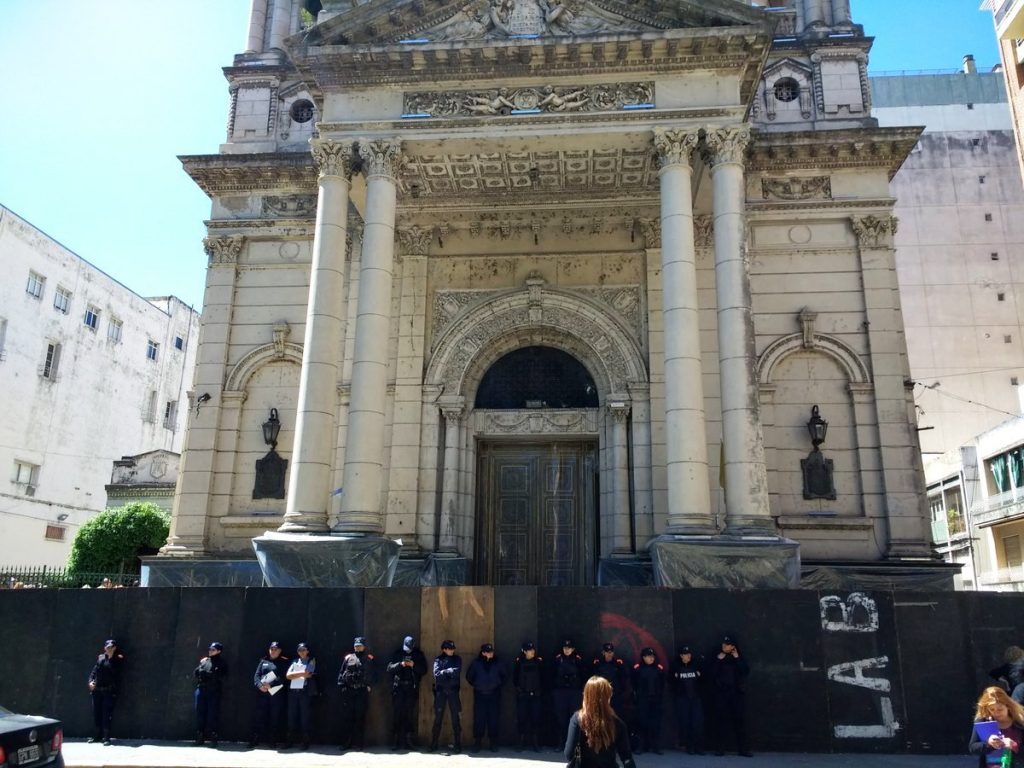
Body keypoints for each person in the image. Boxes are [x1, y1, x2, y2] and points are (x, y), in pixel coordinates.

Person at [563, 676, 636, 768]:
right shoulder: (617, 723)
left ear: (586, 695)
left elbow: (569, 754)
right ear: (608, 697)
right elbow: (626, 757)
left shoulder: (577, 719)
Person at [710, 634, 751, 757]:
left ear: (732, 646)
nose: (724, 646)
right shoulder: (718, 656)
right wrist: (718, 659)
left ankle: (743, 749)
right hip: (722, 694)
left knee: (739, 722)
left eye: (727, 645)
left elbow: (745, 671)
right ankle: (720, 748)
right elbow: (711, 673)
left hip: (736, 694)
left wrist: (737, 658)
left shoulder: (738, 656)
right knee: (721, 721)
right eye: (723, 644)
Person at [387, 634, 427, 749]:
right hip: (398, 688)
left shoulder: (418, 654)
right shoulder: (398, 653)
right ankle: (395, 742)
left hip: (411, 688)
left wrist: (414, 665)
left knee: (409, 715)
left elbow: (424, 670)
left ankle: (409, 741)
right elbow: (389, 668)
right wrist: (401, 664)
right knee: (397, 714)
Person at [467, 642, 508, 752]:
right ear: (483, 653)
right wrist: (477, 685)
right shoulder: (476, 663)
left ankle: (493, 743)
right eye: (488, 652)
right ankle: (477, 742)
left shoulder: (498, 663)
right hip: (480, 694)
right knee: (479, 719)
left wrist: (497, 686)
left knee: (493, 719)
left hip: (494, 695)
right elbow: (469, 677)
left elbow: (505, 676)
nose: (491, 654)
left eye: (492, 652)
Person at [336, 636, 376, 750]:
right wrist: (342, 686)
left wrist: (369, 685)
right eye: (356, 646)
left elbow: (374, 675)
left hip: (361, 692)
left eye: (359, 646)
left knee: (360, 718)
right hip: (349, 691)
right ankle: (347, 743)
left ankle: (359, 744)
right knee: (348, 718)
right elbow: (341, 673)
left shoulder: (369, 658)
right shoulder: (348, 658)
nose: (357, 648)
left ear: (364, 646)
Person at [969, 686, 1024, 767]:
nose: (996, 713)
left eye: (1000, 709)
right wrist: (988, 743)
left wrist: (1014, 746)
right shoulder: (983, 721)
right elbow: (972, 748)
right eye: (992, 709)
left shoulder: (1019, 722)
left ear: (1008, 706)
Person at [249, 641, 289, 748]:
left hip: (275, 692)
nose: (273, 651)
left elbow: (284, 678)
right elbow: (257, 675)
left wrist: (270, 685)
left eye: (276, 649)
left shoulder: (284, 661)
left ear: (280, 651)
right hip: (262, 692)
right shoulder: (263, 661)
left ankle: (272, 740)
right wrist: (259, 685)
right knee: (259, 716)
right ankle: (255, 738)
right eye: (271, 649)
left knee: (274, 717)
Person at [88, 638, 125, 745]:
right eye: (107, 647)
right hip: (97, 691)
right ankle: (98, 735)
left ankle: (106, 737)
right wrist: (91, 682)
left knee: (106, 713)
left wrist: (110, 658)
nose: (109, 649)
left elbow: (116, 673)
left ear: (114, 648)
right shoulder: (100, 658)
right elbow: (94, 671)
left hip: (109, 691)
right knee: (97, 712)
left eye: (111, 647)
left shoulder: (118, 659)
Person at [669, 645, 704, 754]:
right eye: (685, 654)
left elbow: (703, 680)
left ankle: (698, 747)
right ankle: (690, 746)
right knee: (686, 723)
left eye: (689, 654)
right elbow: (670, 681)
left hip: (695, 698)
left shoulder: (696, 664)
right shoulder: (676, 666)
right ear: (681, 656)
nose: (688, 656)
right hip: (682, 699)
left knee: (697, 723)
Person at [552, 639, 586, 750]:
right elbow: (550, 674)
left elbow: (583, 674)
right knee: (560, 718)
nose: (567, 650)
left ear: (573, 649)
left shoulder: (578, 660)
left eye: (569, 648)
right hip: (560, 692)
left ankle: (575, 743)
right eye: (565, 648)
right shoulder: (557, 659)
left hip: (574, 692)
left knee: (575, 718)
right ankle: (561, 742)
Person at [430, 639, 463, 753]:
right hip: (441, 692)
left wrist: (445, 672)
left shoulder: (457, 659)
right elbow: (437, 675)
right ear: (444, 649)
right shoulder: (438, 660)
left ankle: (458, 744)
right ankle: (434, 743)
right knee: (438, 718)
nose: (452, 650)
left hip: (453, 692)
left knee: (455, 718)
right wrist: (448, 672)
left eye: (453, 648)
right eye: (450, 648)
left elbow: (457, 672)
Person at [193, 641, 228, 747]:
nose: (210, 651)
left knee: (212, 715)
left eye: (213, 650)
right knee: (200, 713)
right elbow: (195, 673)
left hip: (213, 691)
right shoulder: (204, 661)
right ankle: (200, 737)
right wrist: (200, 670)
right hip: (201, 690)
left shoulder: (222, 663)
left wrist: (209, 674)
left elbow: (223, 677)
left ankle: (213, 738)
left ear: (218, 651)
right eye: (210, 649)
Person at [631, 647, 665, 754]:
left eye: (653, 656)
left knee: (656, 723)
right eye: (649, 656)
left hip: (655, 699)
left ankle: (656, 747)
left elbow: (662, 683)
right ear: (644, 657)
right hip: (643, 700)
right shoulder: (637, 668)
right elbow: (634, 683)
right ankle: (641, 746)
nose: (651, 658)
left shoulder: (659, 668)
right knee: (641, 722)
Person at [285, 642, 318, 750]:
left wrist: (296, 674)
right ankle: (289, 741)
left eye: (304, 650)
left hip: (305, 692)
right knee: (291, 716)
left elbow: (308, 673)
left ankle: (305, 742)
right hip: (293, 692)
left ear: (307, 651)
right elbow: (288, 675)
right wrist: (301, 673)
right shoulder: (294, 661)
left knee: (305, 717)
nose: (302, 652)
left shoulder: (311, 660)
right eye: (299, 650)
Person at [513, 641, 544, 752]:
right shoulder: (519, 662)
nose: (532, 652)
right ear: (525, 651)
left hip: (535, 696)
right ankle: (521, 743)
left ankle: (535, 743)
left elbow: (543, 678)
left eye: (533, 650)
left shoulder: (538, 662)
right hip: (523, 696)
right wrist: (520, 691)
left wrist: (538, 691)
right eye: (530, 650)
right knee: (522, 719)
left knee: (535, 719)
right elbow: (515, 679)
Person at [591, 642, 628, 719]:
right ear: (603, 653)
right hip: (602, 694)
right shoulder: (598, 663)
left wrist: (621, 690)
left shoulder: (618, 664)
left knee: (616, 716)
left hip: (615, 694)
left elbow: (623, 678)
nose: (609, 654)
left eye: (611, 652)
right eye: (607, 652)